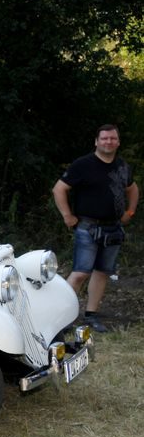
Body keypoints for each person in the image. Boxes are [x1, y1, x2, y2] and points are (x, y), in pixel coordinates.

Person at [52, 124, 139, 333]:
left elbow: (132, 187)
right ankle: (57, 317)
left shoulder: (122, 166)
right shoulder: (83, 164)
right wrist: (67, 216)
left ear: (118, 142)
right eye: (104, 138)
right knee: (80, 273)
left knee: (102, 273)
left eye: (112, 138)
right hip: (87, 227)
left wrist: (130, 212)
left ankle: (91, 316)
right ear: (96, 142)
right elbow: (59, 188)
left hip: (113, 229)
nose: (108, 142)